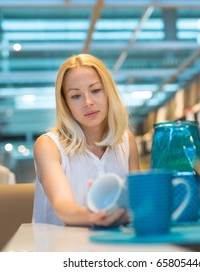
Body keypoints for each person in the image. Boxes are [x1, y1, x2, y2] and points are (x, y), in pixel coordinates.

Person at [32, 53, 140, 227]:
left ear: (108, 93)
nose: (88, 102)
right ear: (65, 103)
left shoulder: (127, 141)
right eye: (76, 96)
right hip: (58, 249)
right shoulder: (48, 146)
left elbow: (137, 199)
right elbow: (63, 206)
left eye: (95, 90)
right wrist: (94, 216)